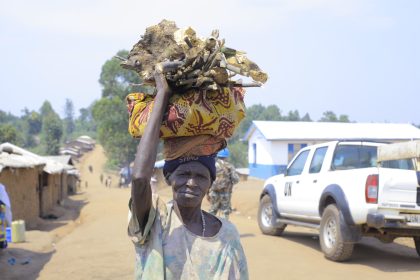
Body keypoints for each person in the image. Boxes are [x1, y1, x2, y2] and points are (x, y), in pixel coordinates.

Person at [128, 70, 248, 279]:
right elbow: (139, 179)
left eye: (201, 177)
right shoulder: (155, 221)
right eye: (183, 174)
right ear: (168, 177)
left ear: (210, 183)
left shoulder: (227, 234)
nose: (191, 182)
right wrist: (163, 94)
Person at [208, 148, 240, 220]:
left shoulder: (213, 165)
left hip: (214, 192)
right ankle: (224, 228)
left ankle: (209, 227)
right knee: (225, 212)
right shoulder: (229, 166)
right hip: (225, 194)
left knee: (212, 210)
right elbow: (236, 180)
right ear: (226, 156)